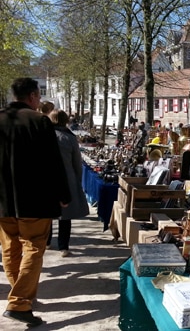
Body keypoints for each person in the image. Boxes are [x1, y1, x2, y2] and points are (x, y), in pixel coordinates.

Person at [0, 77, 71, 327]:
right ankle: (19, 302)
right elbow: (53, 162)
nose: (39, 100)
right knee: (33, 246)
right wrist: (63, 194)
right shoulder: (39, 121)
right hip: (33, 199)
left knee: (10, 248)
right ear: (31, 96)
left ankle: (20, 295)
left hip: (3, 200)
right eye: (38, 96)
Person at [46, 109, 90, 257]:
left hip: (48, 179)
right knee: (66, 215)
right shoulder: (69, 138)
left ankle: (46, 241)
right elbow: (77, 162)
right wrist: (77, 179)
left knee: (47, 214)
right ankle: (63, 246)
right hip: (67, 178)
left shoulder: (44, 136)